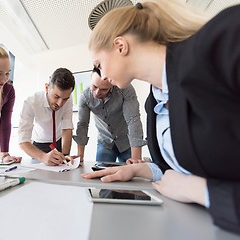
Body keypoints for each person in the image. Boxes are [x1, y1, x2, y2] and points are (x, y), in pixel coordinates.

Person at [82, 0, 240, 233]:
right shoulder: (154, 101)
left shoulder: (223, 40)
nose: (102, 75)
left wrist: (197, 190)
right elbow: (181, 166)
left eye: (98, 64)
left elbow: (191, 179)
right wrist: (142, 170)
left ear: (120, 46)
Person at [73, 67, 146, 164]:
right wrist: (80, 156)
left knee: (132, 174)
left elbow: (133, 120)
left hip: (127, 141)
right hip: (105, 142)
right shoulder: (85, 97)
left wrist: (136, 158)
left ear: (112, 83)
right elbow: (83, 124)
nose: (97, 93)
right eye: (94, 87)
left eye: (104, 89)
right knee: (101, 174)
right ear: (91, 77)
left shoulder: (124, 89)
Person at [18, 68, 75, 166]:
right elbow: (23, 140)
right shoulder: (31, 102)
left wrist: (65, 154)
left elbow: (67, 128)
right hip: (39, 146)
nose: (60, 103)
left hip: (59, 142)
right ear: (47, 87)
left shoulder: (68, 100)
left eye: (65, 99)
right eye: (56, 96)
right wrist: (43, 157)